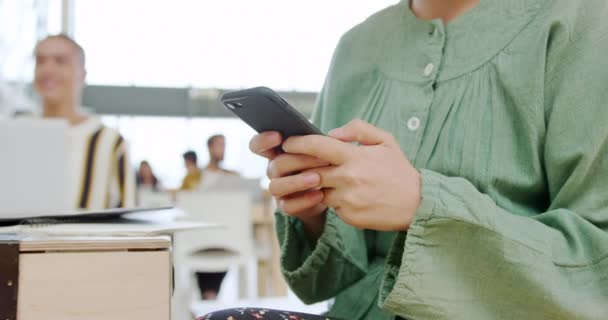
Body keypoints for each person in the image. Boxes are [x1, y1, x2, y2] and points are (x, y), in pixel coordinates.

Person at [202, 0, 608, 319]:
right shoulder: (355, 47)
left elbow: (597, 267)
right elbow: (333, 279)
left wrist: (422, 204)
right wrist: (314, 212)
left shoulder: (582, 24)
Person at [35, 34, 135, 209]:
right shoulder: (14, 137)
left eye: (60, 61)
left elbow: (128, 213)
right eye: (40, 61)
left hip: (87, 237)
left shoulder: (109, 141)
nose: (47, 69)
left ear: (82, 73)